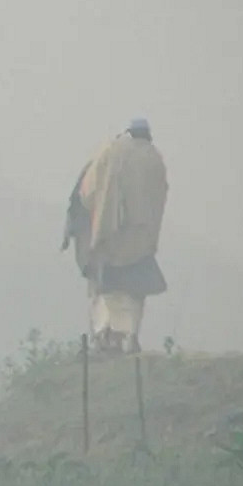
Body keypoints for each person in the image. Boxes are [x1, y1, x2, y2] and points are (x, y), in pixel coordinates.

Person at [62, 118, 169, 354]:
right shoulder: (155, 159)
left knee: (107, 291)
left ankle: (107, 336)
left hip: (110, 237)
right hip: (141, 240)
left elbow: (92, 196)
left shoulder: (114, 153)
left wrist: (97, 231)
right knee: (132, 293)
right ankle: (125, 337)